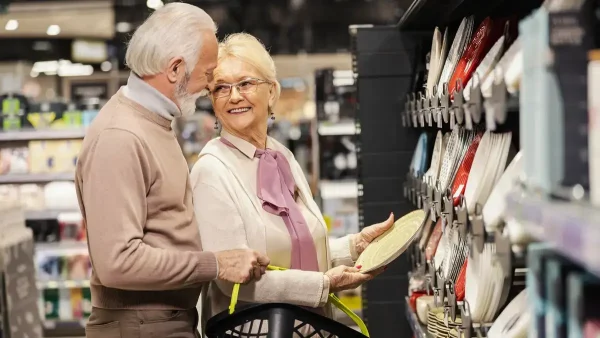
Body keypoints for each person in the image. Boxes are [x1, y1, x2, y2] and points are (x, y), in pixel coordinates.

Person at [75, 5, 269, 338]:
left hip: (164, 321)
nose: (209, 87)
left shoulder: (155, 124)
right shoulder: (119, 137)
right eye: (208, 74)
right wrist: (216, 263)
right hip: (138, 327)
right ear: (176, 69)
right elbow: (117, 262)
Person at [191, 33, 395, 333]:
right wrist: (323, 285)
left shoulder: (280, 156)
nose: (234, 96)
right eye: (221, 87)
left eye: (245, 83)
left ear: (271, 92)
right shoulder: (211, 170)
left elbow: (294, 252)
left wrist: (355, 247)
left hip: (310, 328)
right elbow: (232, 279)